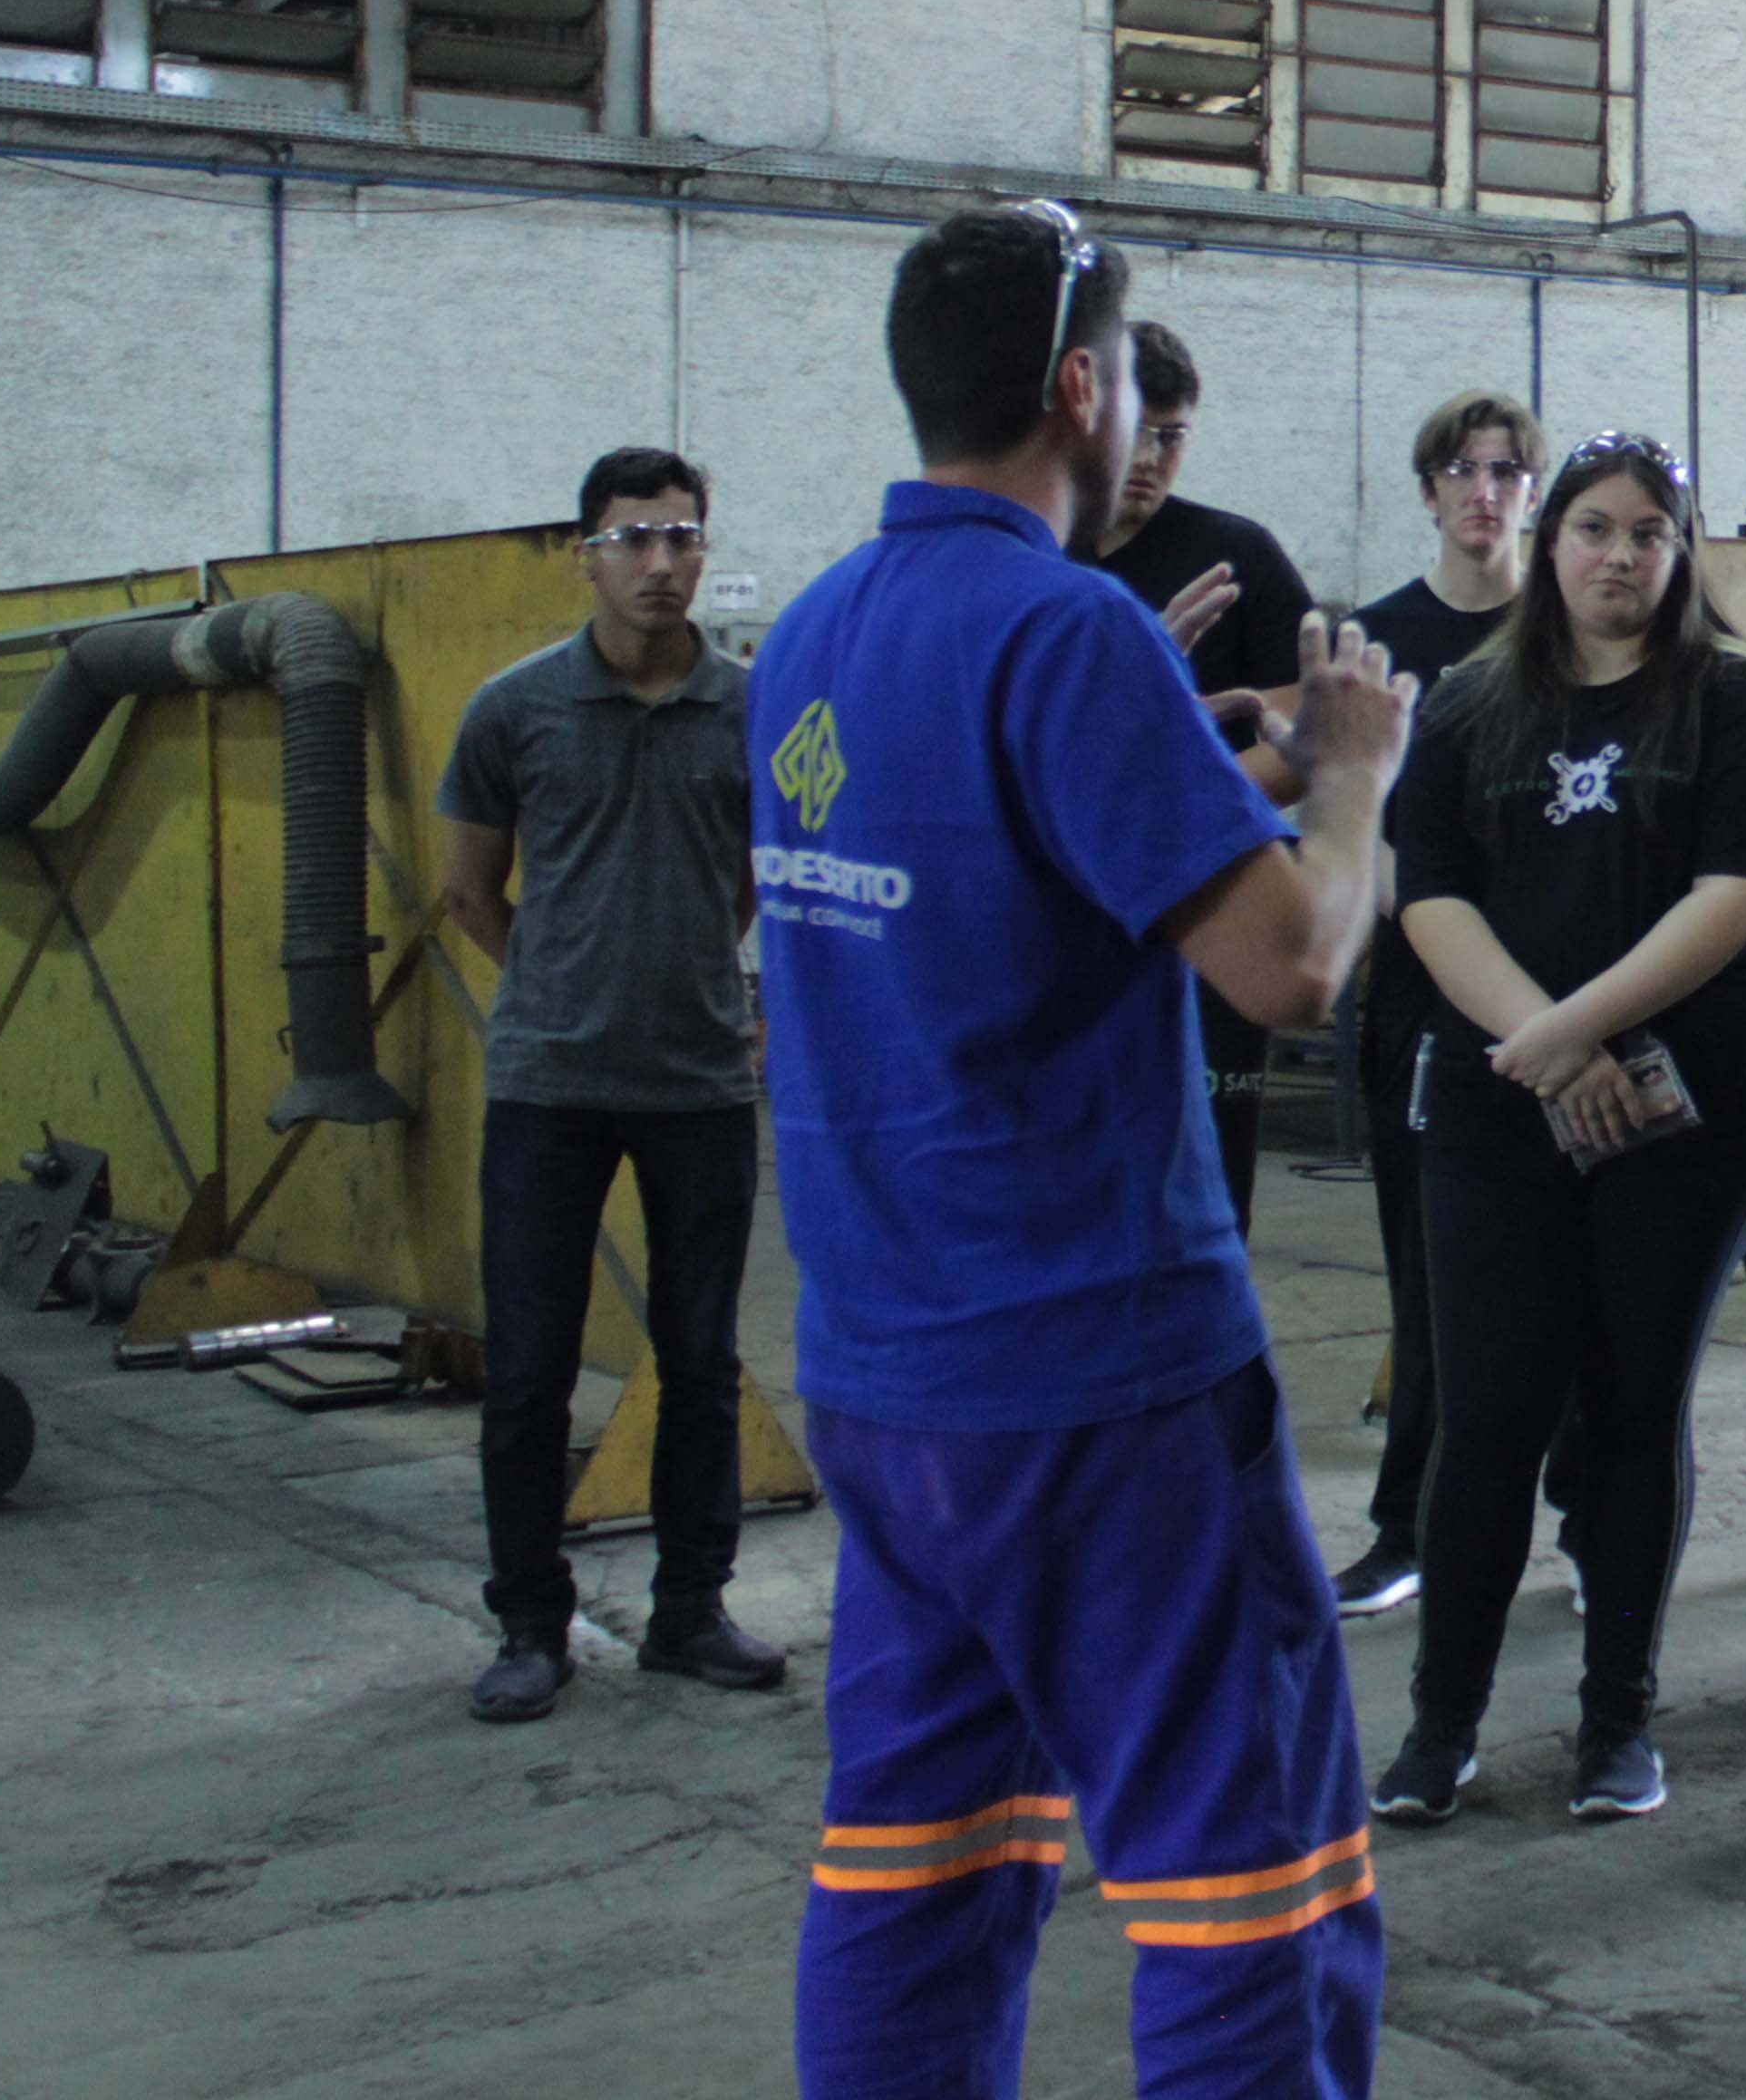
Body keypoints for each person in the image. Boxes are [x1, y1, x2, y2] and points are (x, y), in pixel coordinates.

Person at [767, 200, 1406, 2100]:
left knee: (918, 1860)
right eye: (1134, 377)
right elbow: (1289, 965)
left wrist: (1244, 772)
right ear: (1077, 386)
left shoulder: (813, 629)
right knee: (1246, 1873)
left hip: (887, 1382)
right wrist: (1354, 777)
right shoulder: (1067, 629)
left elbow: (999, 883)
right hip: (1097, 1380)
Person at [1373, 433, 1746, 1828]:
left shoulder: (1739, 702)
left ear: (1684, 556)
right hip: (1506, 1104)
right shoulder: (1464, 706)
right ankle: (1441, 1725)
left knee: (1634, 1403)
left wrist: (1584, 1034)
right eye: (1594, 529)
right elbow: (1426, 891)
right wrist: (1543, 1048)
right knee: (1488, 1414)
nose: (1620, 556)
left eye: (1649, 534)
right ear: (1550, 543)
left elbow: (1739, 890)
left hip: (1694, 1108)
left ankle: (1616, 1722)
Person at [438, 446, 779, 1725]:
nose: (660, 563)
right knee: (527, 1368)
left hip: (697, 1083)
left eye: (683, 537)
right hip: (549, 1088)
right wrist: (568, 983)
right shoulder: (514, 710)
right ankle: (531, 1623)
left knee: (700, 1360)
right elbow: (470, 891)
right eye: (633, 539)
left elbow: (754, 877)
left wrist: (689, 974)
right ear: (584, 555)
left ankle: (692, 1611)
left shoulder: (753, 706)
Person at [1325, 389, 1540, 1621]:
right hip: (1422, 1007)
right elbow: (1347, 819)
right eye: (1462, 469)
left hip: (1566, 998)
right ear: (1428, 490)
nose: (1484, 490)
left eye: (1506, 471)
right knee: (1429, 1284)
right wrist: (1438, 915)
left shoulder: (1563, 630)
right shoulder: (1378, 642)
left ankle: (1571, 1512)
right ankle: (1408, 1527)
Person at [1090, 317, 1324, 1238]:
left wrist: (1199, 808)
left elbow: (1308, 715)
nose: (1150, 457)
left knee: (1208, 1181)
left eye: (1173, 436)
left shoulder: (1237, 556)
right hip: (1076, 912)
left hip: (1217, 903)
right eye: (1135, 427)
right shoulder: (1035, 558)